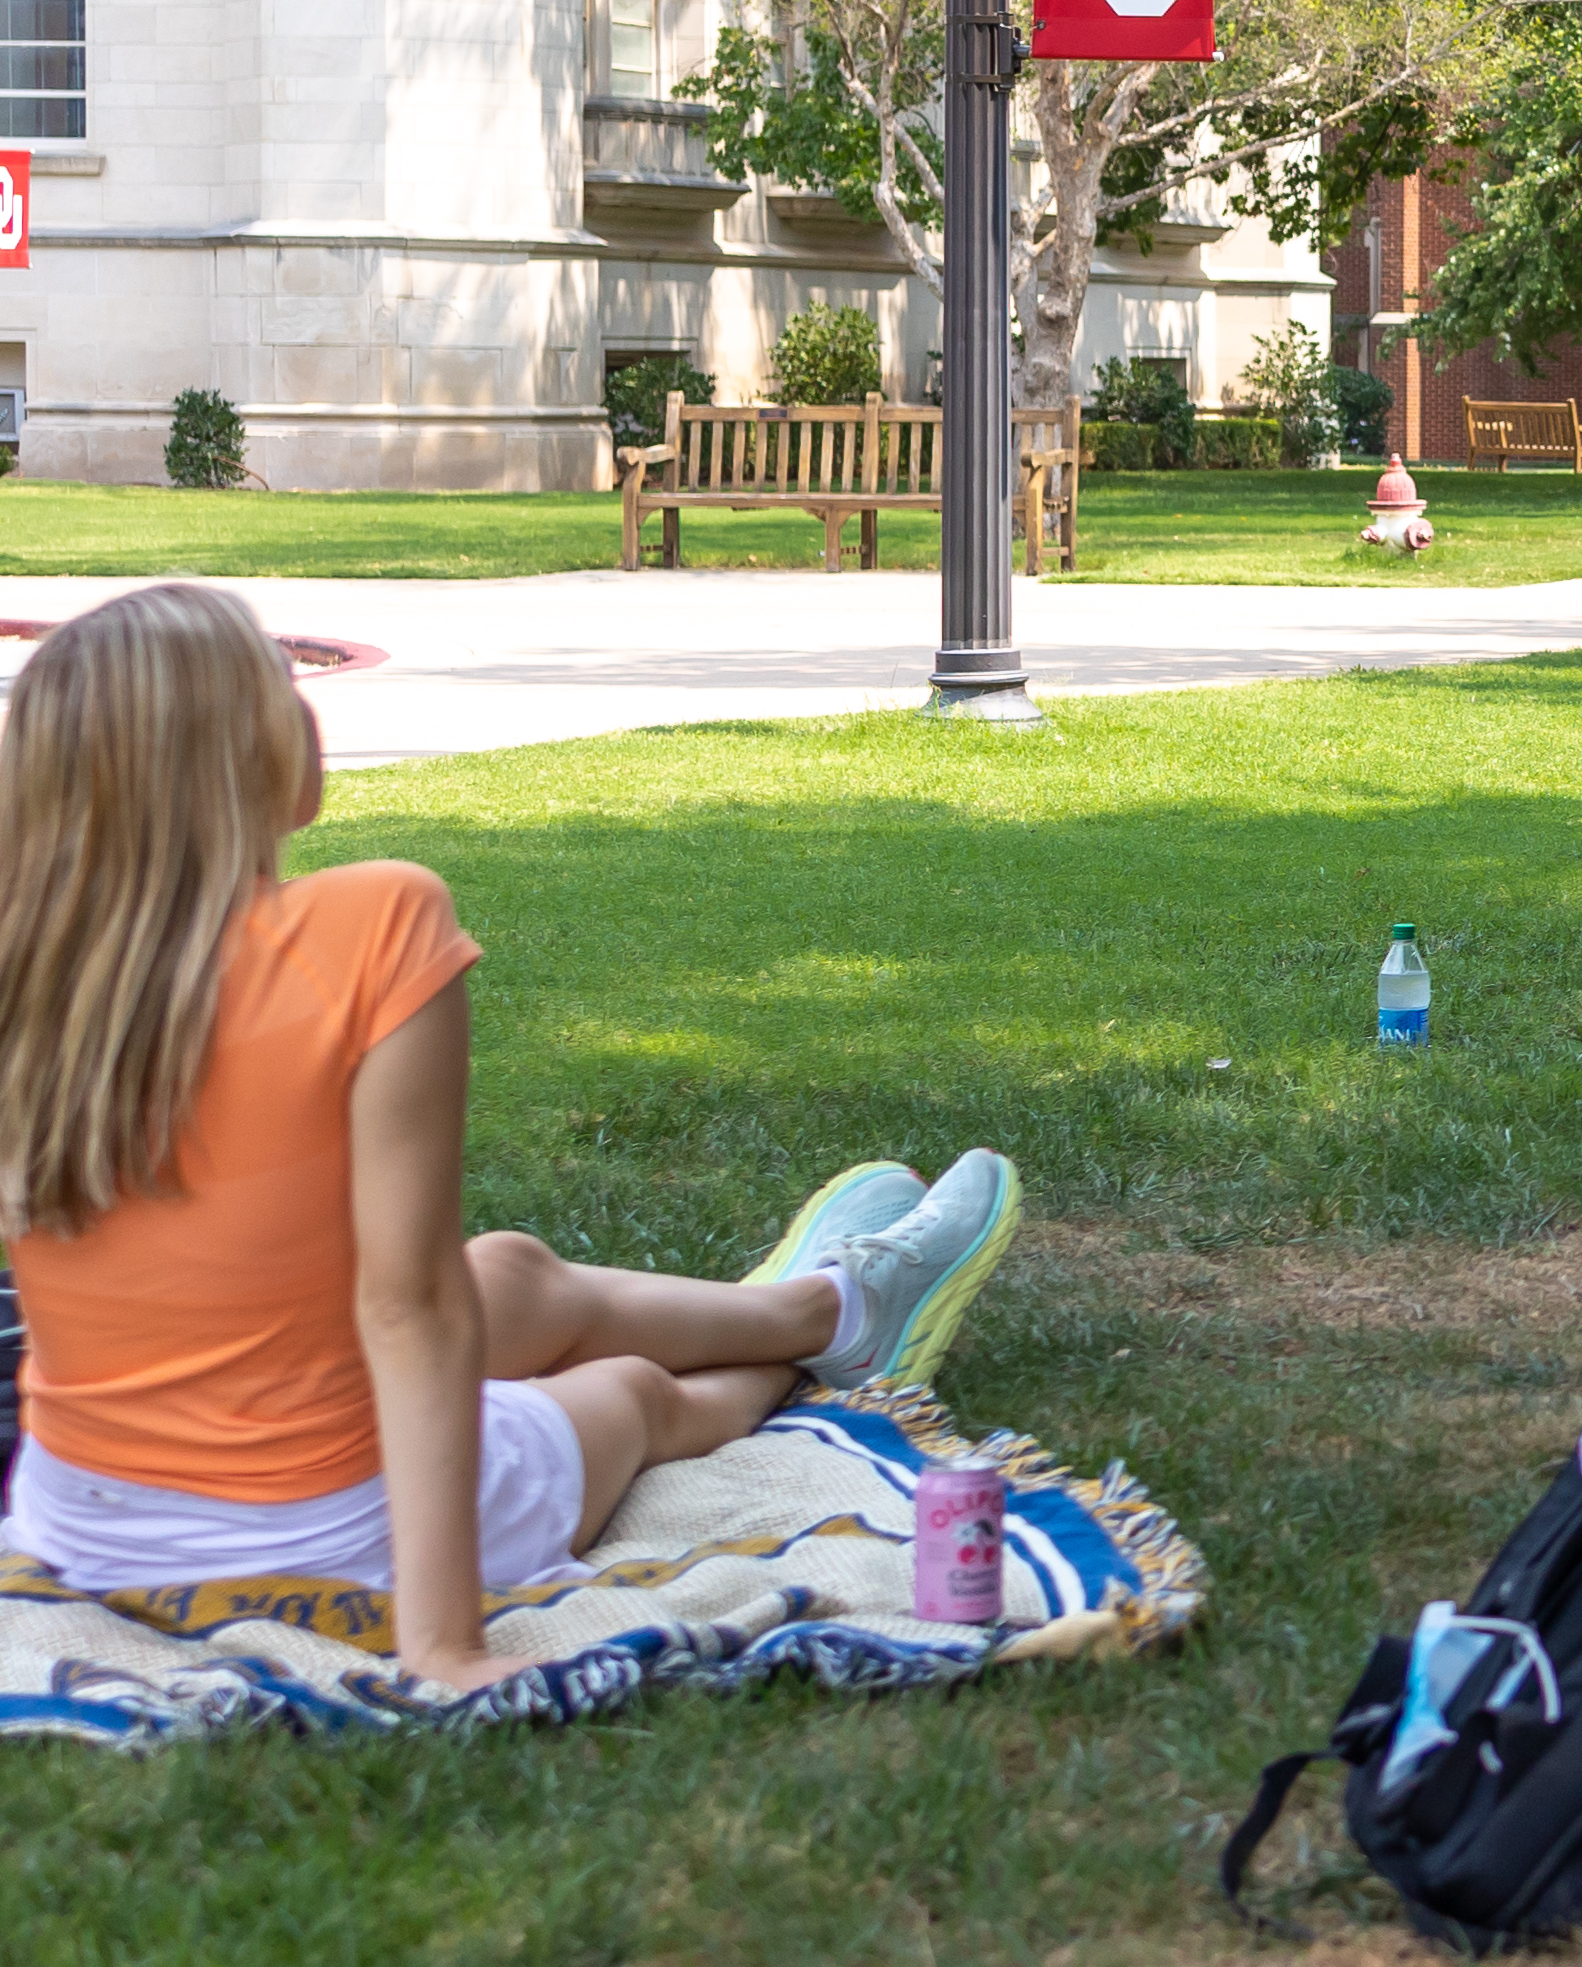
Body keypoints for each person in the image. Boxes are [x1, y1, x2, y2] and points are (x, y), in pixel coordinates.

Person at [0, 585, 1020, 1690]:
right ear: (241, 748)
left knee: (512, 1271)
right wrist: (442, 1642)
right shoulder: (374, 925)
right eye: (282, 688)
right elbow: (408, 1305)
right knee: (629, 1390)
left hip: (84, 1525)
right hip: (323, 1539)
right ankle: (807, 1352)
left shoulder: (27, 976)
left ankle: (821, 1305)